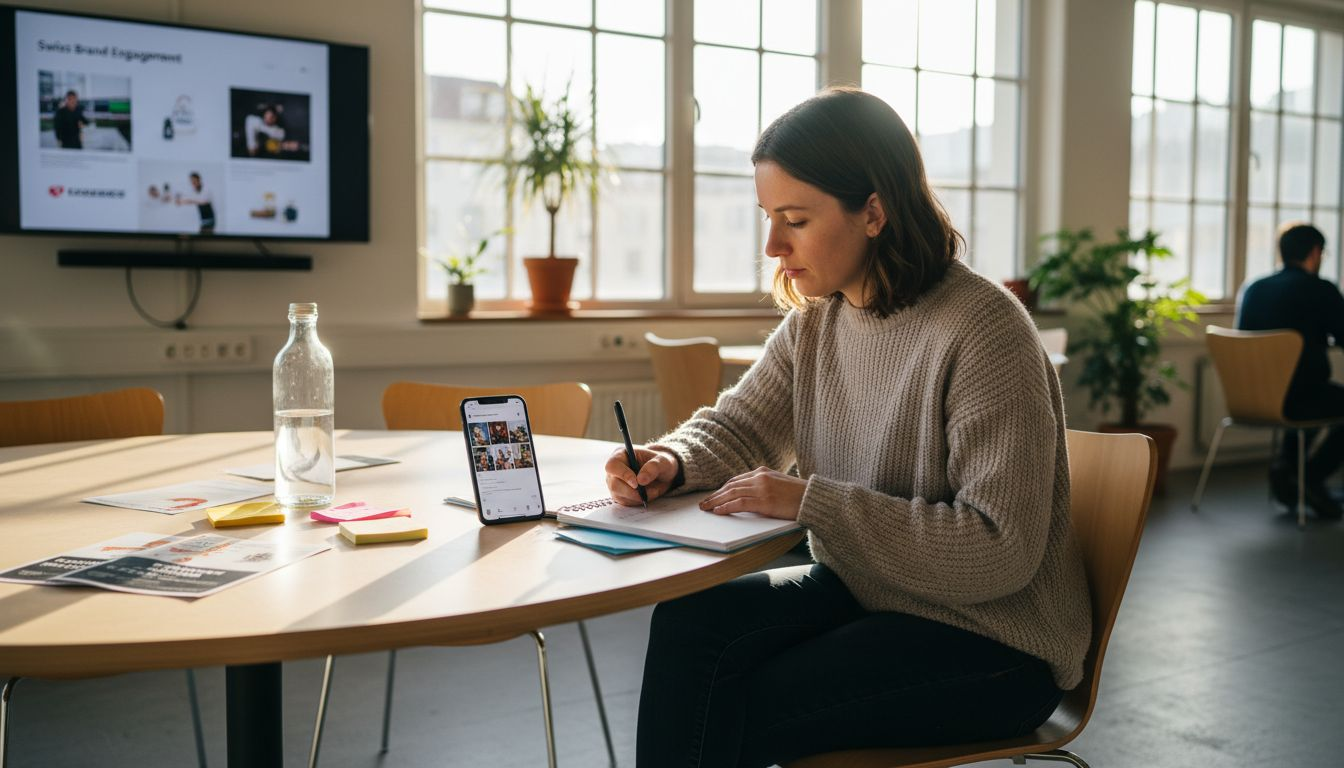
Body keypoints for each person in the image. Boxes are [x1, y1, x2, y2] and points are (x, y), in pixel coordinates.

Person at [603, 87, 1089, 767]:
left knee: (734, 702)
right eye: (768, 217)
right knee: (689, 628)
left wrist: (810, 501)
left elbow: (999, 550)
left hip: (995, 641)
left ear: (874, 212)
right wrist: (671, 461)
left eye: (795, 219)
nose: (773, 245)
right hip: (869, 591)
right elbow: (740, 426)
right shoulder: (817, 321)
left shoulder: (984, 332)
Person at [1236, 222, 1344, 520]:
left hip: (1249, 397)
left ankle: (1286, 470)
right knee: (1316, 394)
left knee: (1308, 391)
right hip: (1297, 400)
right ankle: (1309, 477)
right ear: (1315, 252)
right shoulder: (1321, 290)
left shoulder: (1253, 288)